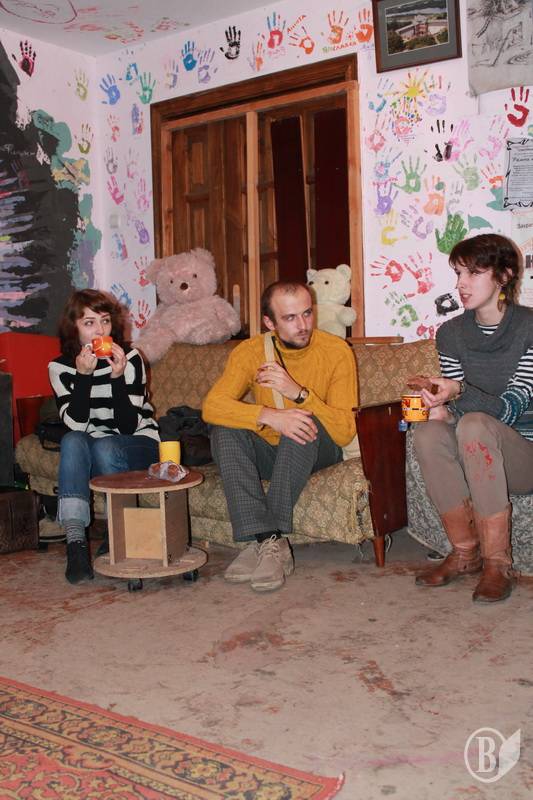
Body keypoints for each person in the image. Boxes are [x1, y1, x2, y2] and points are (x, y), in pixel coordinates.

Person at [202, 280, 357, 592]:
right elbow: (212, 407)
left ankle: (263, 541)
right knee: (224, 431)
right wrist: (269, 416)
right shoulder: (250, 352)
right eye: (290, 318)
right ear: (269, 323)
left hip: (318, 447)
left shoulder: (336, 351)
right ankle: (268, 540)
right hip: (272, 450)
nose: (303, 325)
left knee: (301, 423)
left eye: (307, 313)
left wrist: (299, 394)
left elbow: (344, 431)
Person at [412, 233, 533, 602]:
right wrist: (441, 409)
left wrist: (459, 391)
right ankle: (465, 552)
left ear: (505, 275)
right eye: (458, 273)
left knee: (476, 424)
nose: (461, 284)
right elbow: (460, 411)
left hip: (524, 454)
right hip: (476, 445)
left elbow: (510, 408)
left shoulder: (530, 328)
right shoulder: (451, 333)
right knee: (427, 433)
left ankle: (498, 563)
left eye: (474, 273)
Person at [48, 289, 159, 584]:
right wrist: (83, 377)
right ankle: (75, 545)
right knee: (72, 441)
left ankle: (117, 533)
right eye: (89, 323)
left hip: (139, 443)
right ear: (73, 328)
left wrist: (117, 378)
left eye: (105, 321)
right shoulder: (60, 367)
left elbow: (127, 427)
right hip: (92, 443)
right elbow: (76, 425)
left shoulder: (130, 358)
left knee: (107, 446)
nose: (100, 330)